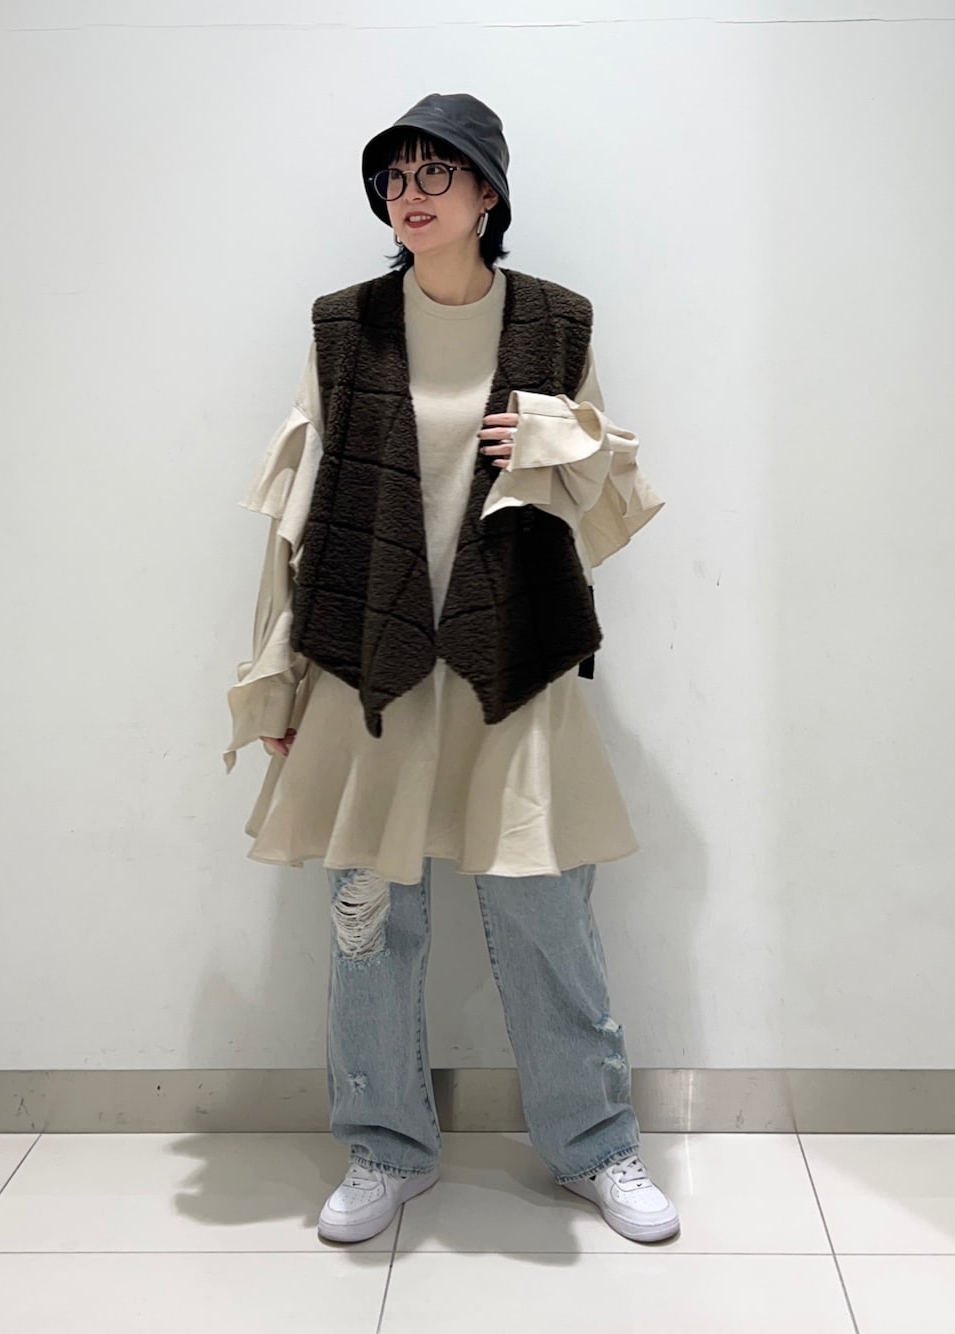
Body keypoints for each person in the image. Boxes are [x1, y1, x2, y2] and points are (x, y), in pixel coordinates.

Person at [224, 92, 679, 1246]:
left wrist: (556, 436)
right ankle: (383, 1147)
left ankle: (595, 1143)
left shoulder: (557, 320)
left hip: (512, 659)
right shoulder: (343, 326)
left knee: (545, 915)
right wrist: (276, 678)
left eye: (438, 171)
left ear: (487, 193)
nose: (410, 193)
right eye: (395, 175)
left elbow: (608, 495)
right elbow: (293, 512)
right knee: (370, 919)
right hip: (364, 666)